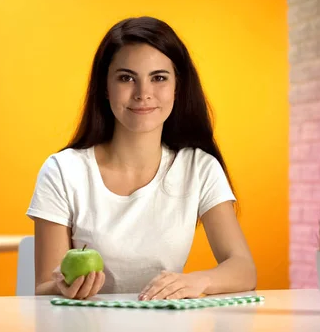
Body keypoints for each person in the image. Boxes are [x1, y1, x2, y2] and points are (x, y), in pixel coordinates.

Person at [26, 16, 256, 301]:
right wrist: (64, 287)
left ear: (177, 88)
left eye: (158, 78)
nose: (143, 94)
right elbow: (43, 288)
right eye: (126, 78)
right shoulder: (62, 170)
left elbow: (243, 269)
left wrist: (198, 281)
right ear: (105, 89)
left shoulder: (199, 168)